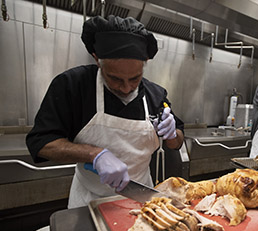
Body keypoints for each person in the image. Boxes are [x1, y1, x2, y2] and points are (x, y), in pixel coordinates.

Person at [26, 15, 184, 208]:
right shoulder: (73, 86)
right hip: (88, 203)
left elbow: (177, 142)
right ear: (97, 60)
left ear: (145, 63)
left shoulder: (156, 95)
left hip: (142, 200)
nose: (126, 88)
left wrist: (172, 134)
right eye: (115, 79)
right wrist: (95, 154)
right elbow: (41, 143)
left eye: (135, 79)